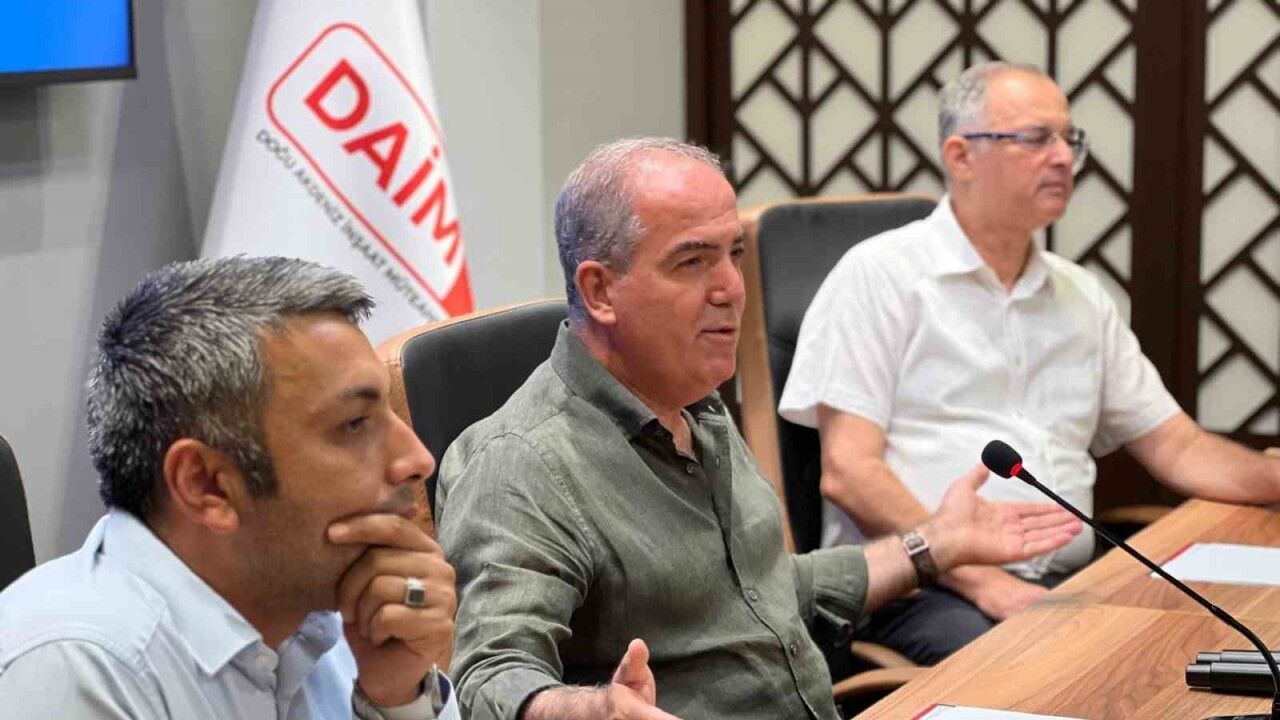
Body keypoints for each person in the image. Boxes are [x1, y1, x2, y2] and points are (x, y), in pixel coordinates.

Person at [435, 137, 1082, 720]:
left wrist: (933, 543)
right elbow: (489, 676)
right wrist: (592, 710)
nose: (731, 288)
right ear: (601, 291)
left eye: (735, 255)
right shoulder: (521, 464)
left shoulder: (698, 407)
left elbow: (767, 590)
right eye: (692, 262)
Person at [779, 61, 1280, 666]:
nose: (1064, 158)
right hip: (922, 590)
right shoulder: (879, 276)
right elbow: (849, 472)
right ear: (961, 156)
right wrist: (985, 583)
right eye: (1037, 138)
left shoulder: (1079, 294)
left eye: (1069, 139)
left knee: (1207, 640)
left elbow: (1179, 447)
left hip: (1066, 581)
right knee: (1063, 667)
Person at [0, 257, 461, 719]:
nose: (419, 459)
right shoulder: (73, 673)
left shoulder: (335, 611)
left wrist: (398, 697)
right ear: (206, 485)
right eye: (355, 424)